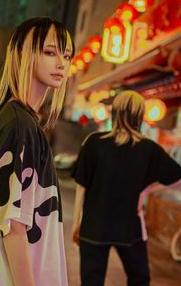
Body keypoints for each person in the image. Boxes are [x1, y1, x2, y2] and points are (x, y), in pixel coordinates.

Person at [0, 17, 75, 286]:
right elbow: (14, 227)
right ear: (23, 54)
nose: (61, 63)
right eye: (50, 52)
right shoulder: (19, 126)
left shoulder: (21, 121)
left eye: (67, 55)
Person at [72, 91, 181, 286]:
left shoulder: (94, 142)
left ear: (115, 112)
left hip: (93, 225)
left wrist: (77, 224)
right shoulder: (149, 148)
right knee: (140, 279)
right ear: (140, 115)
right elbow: (177, 178)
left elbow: (81, 187)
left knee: (91, 281)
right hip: (129, 227)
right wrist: (147, 190)